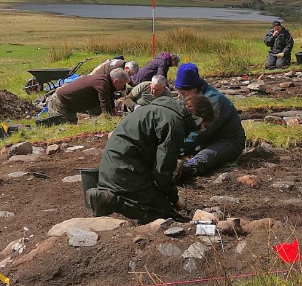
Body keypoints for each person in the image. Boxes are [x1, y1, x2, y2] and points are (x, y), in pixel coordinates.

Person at [88, 93, 216, 223]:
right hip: (125, 172)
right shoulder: (174, 123)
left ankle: (111, 194)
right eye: (204, 125)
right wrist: (174, 198)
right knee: (164, 214)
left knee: (160, 203)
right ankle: (109, 199)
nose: (202, 129)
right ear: (198, 118)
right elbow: (163, 171)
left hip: (115, 166)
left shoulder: (159, 109)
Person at [173, 63, 246, 181]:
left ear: (194, 89)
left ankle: (177, 172)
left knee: (202, 159)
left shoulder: (213, 101)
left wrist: (175, 148)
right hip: (204, 140)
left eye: (184, 94)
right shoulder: (189, 97)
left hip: (227, 141)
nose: (182, 97)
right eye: (180, 93)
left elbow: (200, 133)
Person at [36, 68, 129, 126]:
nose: (122, 87)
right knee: (62, 128)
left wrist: (113, 111)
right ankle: (38, 126)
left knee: (71, 126)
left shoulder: (105, 81)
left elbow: (109, 99)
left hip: (69, 105)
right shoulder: (102, 83)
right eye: (123, 84)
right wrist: (111, 122)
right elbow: (105, 103)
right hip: (60, 102)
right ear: (116, 81)